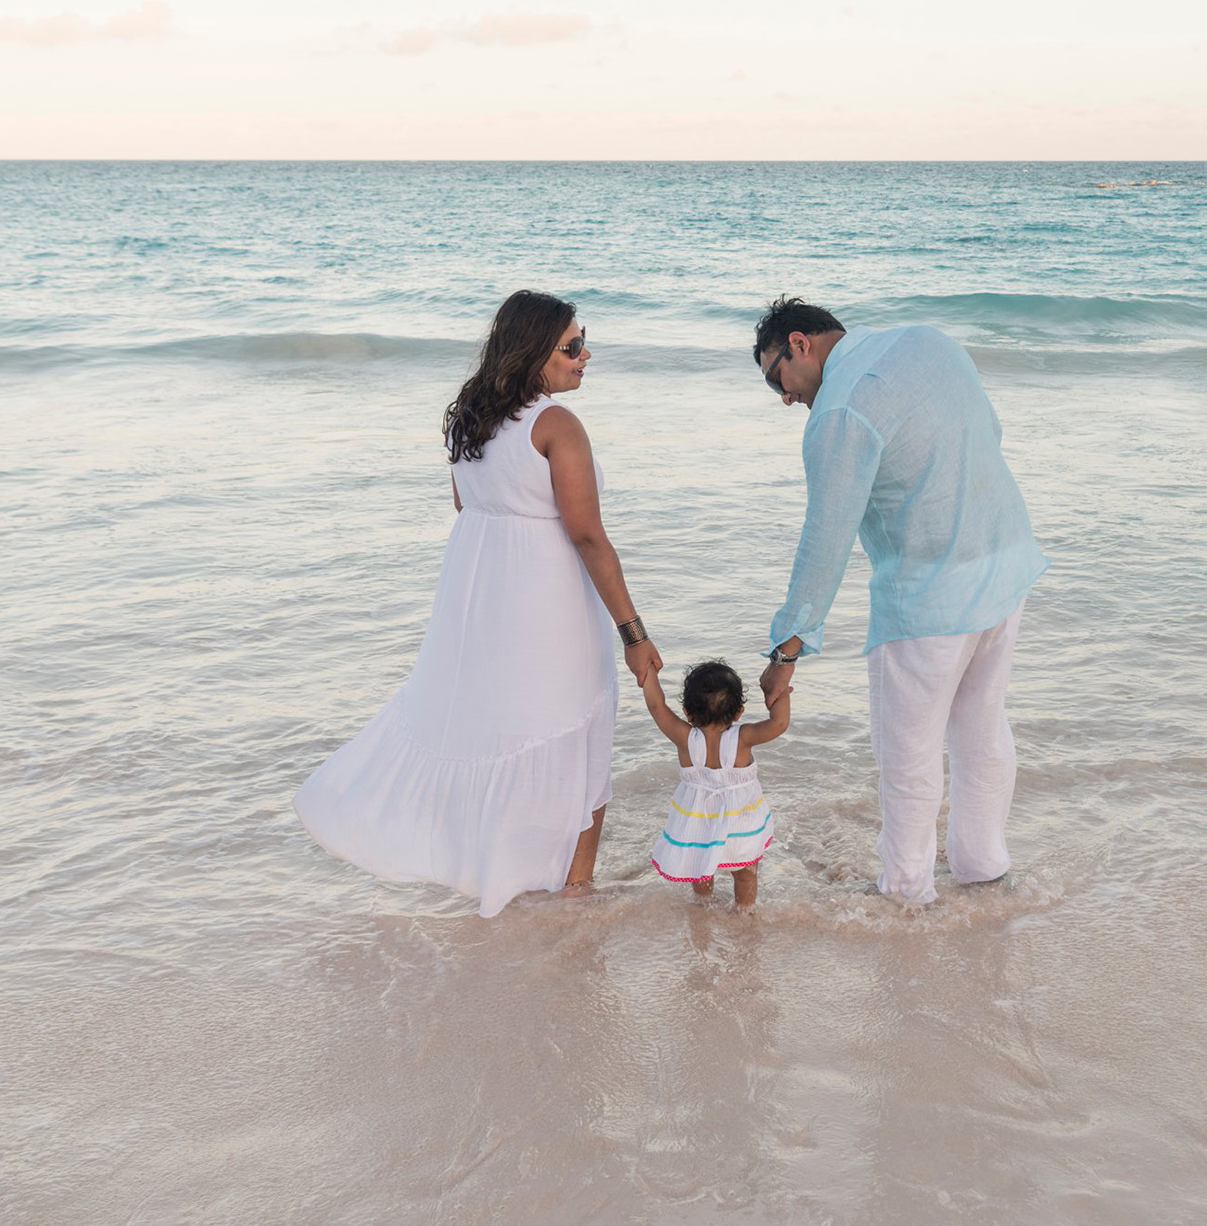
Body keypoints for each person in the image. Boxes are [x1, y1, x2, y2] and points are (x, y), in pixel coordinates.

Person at [294, 290, 662, 916]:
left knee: (509, 728)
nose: (584, 355)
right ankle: (574, 889)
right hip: (550, 604)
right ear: (535, 352)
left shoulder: (472, 416)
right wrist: (633, 633)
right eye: (571, 346)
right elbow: (587, 534)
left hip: (485, 599)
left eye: (582, 342)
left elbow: (467, 507)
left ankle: (507, 874)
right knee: (578, 727)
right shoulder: (556, 425)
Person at [752, 295, 1046, 905]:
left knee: (907, 756)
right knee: (982, 729)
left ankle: (906, 892)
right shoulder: (928, 340)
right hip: (1005, 569)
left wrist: (787, 649)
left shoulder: (840, 411)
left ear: (800, 344)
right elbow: (988, 433)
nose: (784, 397)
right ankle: (982, 868)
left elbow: (825, 539)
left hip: (929, 604)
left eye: (775, 376)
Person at [638, 659, 785, 909]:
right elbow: (779, 724)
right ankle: (744, 912)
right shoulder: (744, 737)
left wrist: (648, 670)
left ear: (686, 710)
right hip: (740, 822)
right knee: (745, 870)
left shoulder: (684, 738)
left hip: (699, 820)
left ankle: (702, 906)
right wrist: (781, 691)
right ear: (739, 711)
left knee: (700, 867)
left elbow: (655, 705)